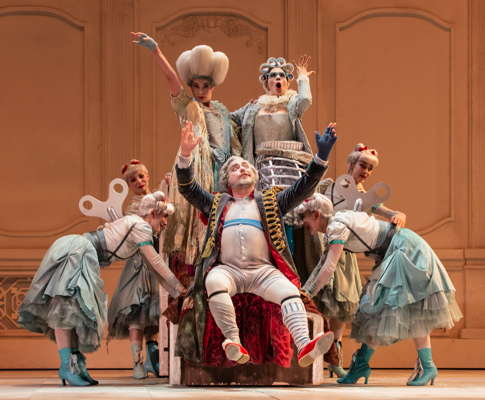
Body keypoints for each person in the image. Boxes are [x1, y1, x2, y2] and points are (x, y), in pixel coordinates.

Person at [174, 120, 336, 368]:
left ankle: (304, 344)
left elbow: (304, 188)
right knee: (214, 281)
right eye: (235, 167)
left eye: (246, 166)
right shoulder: (217, 203)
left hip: (263, 272)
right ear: (227, 180)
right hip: (228, 270)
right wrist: (185, 155)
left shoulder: (271, 201)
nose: (242, 169)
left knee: (289, 292)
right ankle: (233, 341)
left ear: (256, 176)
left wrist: (321, 157)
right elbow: (187, 188)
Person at [18, 192, 186, 386]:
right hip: (79, 251)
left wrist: (176, 290)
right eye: (163, 216)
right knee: (66, 307)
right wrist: (178, 287)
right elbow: (156, 261)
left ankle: (74, 364)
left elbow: (152, 268)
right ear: (152, 213)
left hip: (82, 251)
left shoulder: (135, 224)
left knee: (74, 310)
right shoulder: (141, 226)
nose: (165, 222)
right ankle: (67, 365)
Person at [296, 193, 463, 385]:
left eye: (305, 218)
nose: (304, 225)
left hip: (403, 250)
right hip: (396, 249)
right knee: (378, 310)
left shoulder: (337, 226)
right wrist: (305, 291)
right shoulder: (337, 223)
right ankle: (369, 366)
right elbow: (323, 265)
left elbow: (329, 267)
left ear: (316, 215)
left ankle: (421, 366)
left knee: (390, 309)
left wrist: (308, 294)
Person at [131, 32, 239, 268]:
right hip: (197, 170)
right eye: (196, 86)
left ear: (213, 86)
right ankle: (192, 272)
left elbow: (234, 144)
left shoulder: (223, 114)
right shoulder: (188, 107)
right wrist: (156, 52)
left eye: (205, 86)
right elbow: (172, 81)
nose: (201, 90)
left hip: (221, 173)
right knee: (193, 221)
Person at [319, 144, 407, 377]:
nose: (365, 171)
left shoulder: (364, 196)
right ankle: (316, 353)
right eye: (362, 165)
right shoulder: (329, 186)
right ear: (351, 164)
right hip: (322, 247)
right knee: (319, 301)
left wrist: (396, 214)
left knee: (341, 304)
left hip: (344, 254)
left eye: (369, 169)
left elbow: (383, 210)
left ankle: (335, 355)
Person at [107, 160, 168, 378]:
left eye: (141, 177)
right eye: (133, 180)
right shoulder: (134, 208)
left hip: (157, 263)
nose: (139, 182)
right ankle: (137, 362)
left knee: (154, 314)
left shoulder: (160, 199)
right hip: (138, 265)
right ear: (129, 185)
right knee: (136, 313)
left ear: (147, 176)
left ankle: (154, 359)